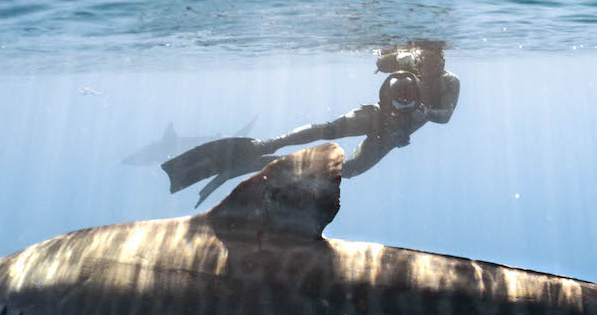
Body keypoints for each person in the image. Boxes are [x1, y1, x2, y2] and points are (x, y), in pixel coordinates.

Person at [162, 42, 459, 204]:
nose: (428, 67)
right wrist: (391, 57)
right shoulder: (411, 61)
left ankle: (273, 161)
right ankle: (268, 145)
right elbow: (381, 62)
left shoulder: (449, 82)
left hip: (395, 134)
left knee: (349, 170)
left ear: (443, 60)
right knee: (329, 128)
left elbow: (445, 116)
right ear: (421, 57)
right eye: (425, 61)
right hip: (378, 115)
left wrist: (427, 114)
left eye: (434, 63)